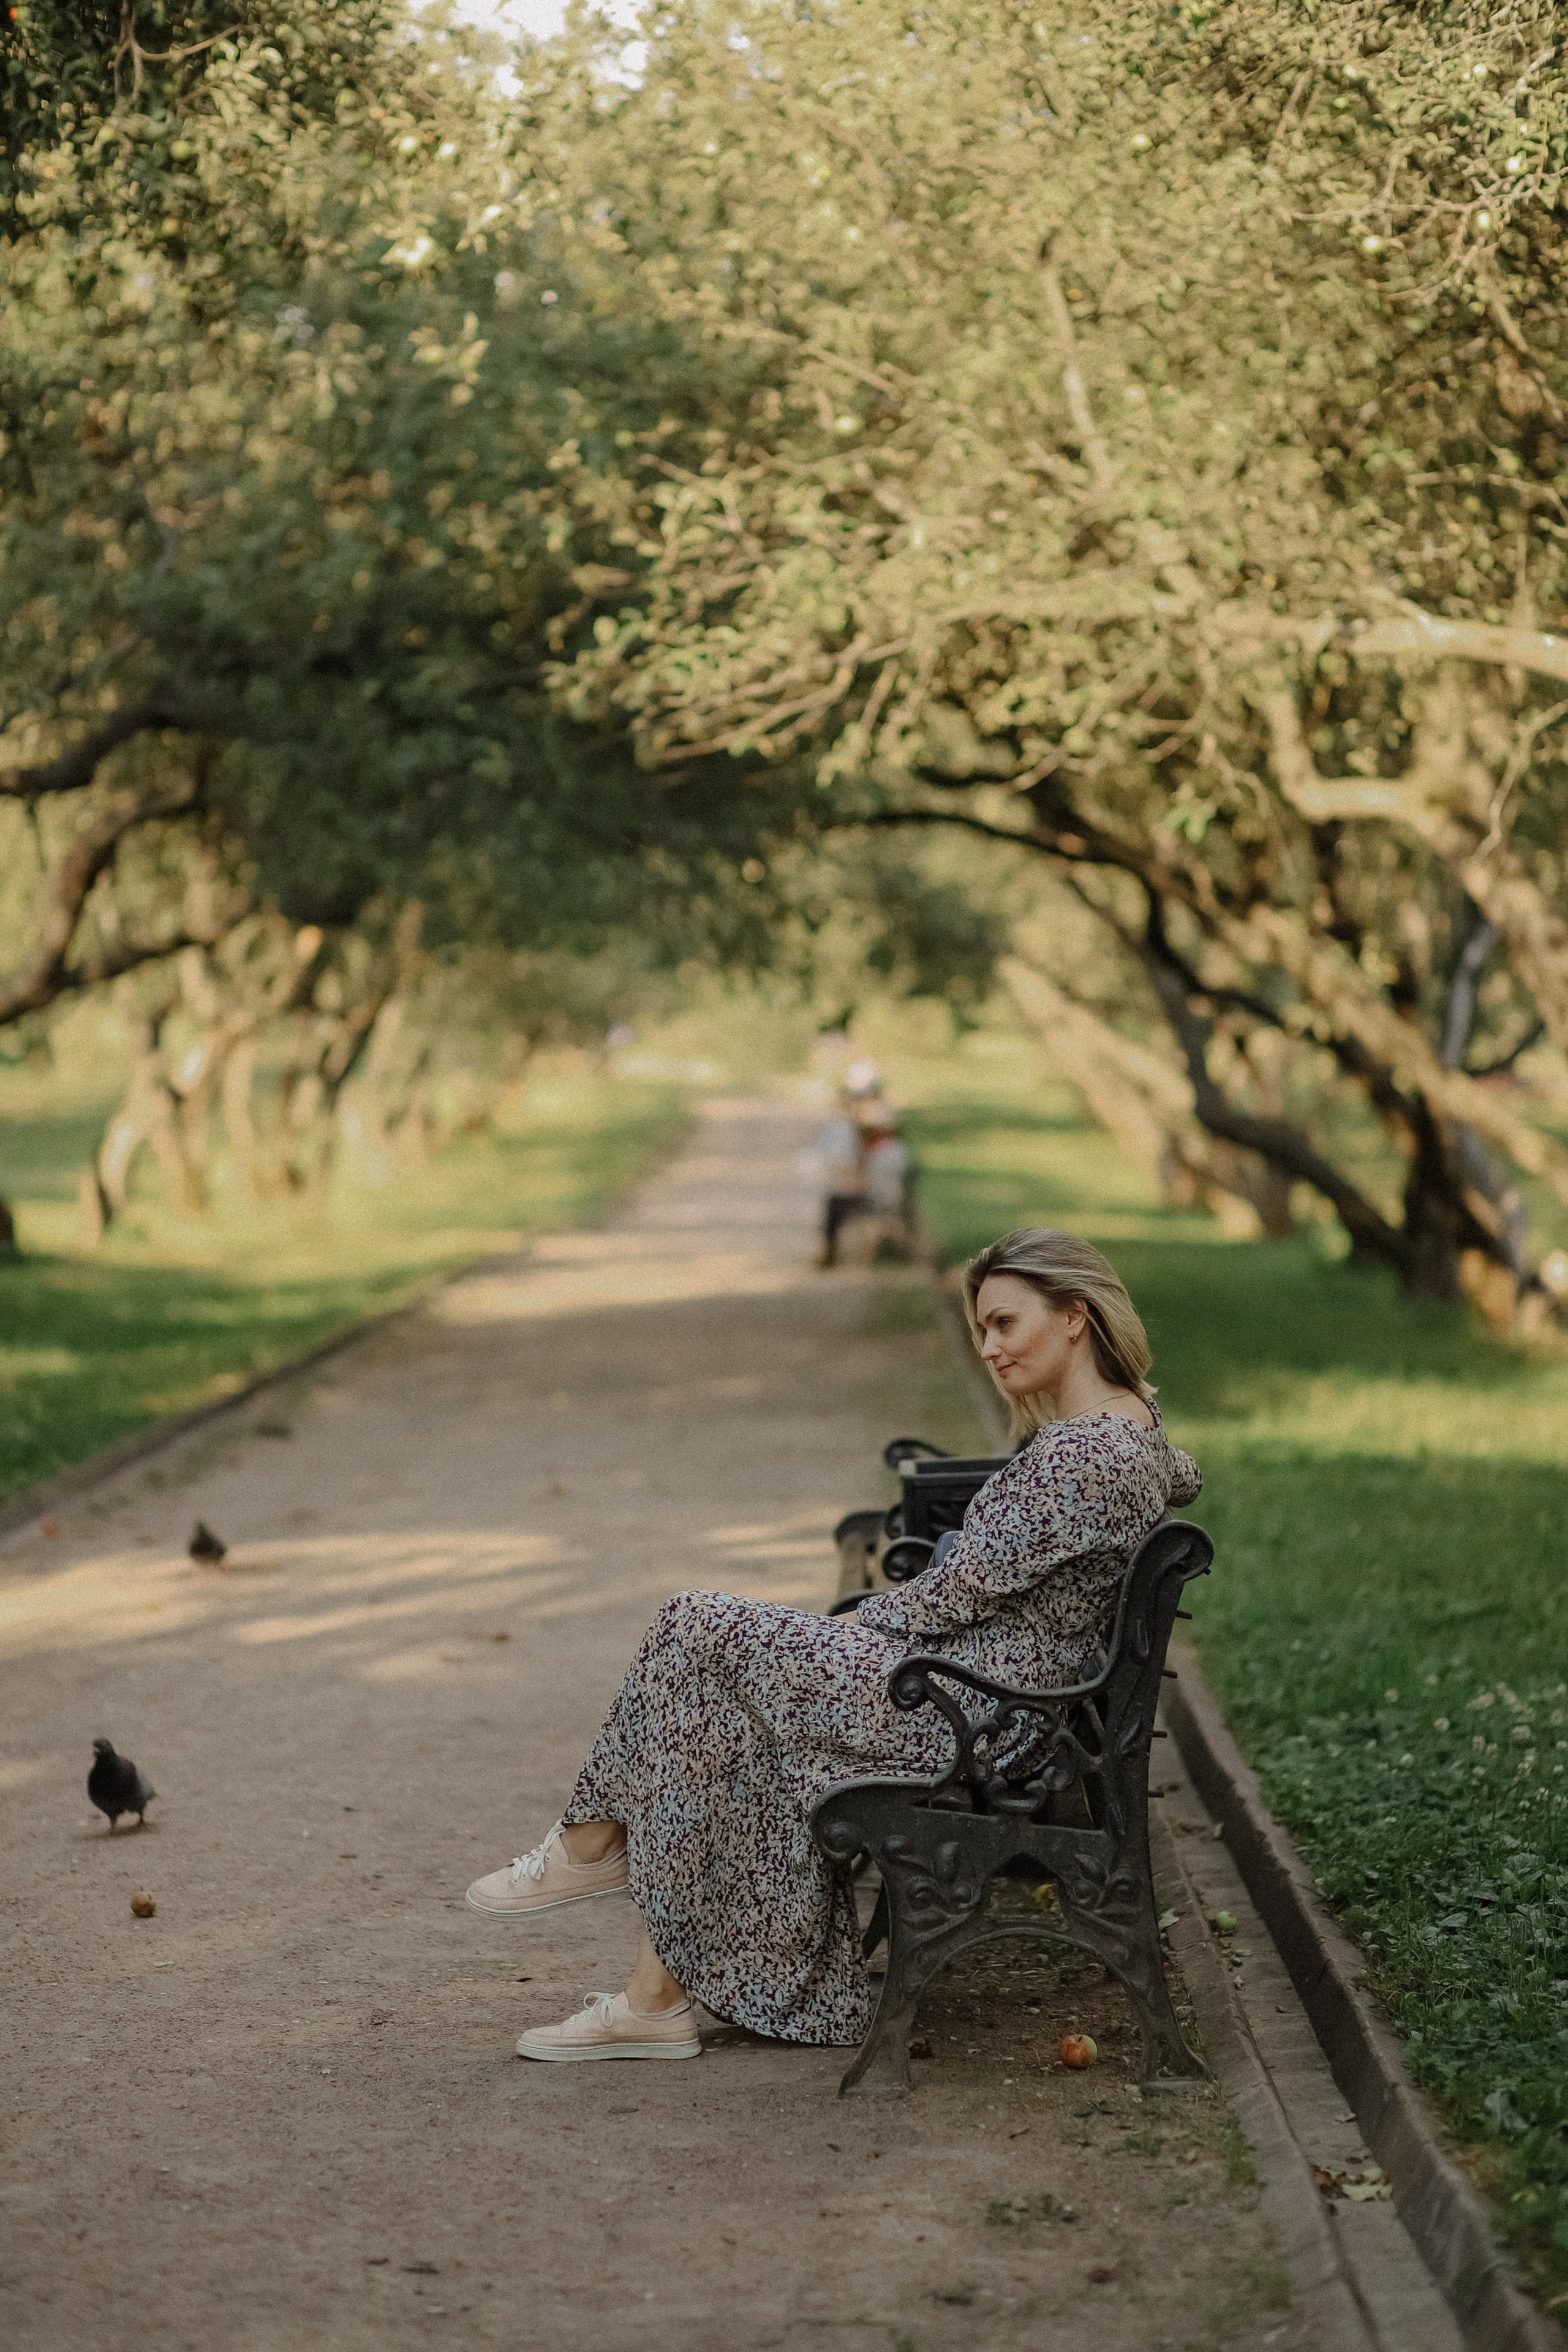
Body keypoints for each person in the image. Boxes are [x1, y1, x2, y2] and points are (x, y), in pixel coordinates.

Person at [466, 1226, 1202, 2062]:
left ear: (1075, 1316)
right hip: (986, 1694)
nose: (992, 1348)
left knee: (696, 1622)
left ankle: (592, 1847)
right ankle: (651, 1997)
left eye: (1006, 1324)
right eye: (982, 1331)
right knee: (723, 1704)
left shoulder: (1090, 1454)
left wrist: (845, 1631)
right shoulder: (1124, 1426)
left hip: (972, 1712)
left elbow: (959, 1592)